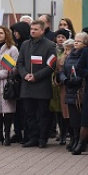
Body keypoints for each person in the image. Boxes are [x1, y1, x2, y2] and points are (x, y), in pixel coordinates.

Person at [17, 20, 57, 148]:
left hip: (42, 86)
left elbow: (51, 66)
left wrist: (36, 76)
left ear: (42, 31)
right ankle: (33, 137)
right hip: (27, 85)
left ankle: (42, 138)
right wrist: (25, 74)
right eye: (31, 29)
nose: (32, 31)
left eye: (35, 29)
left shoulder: (50, 45)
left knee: (43, 114)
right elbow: (20, 63)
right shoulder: (24, 44)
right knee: (29, 114)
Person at [61, 32, 88, 152]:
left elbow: (86, 71)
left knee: (80, 118)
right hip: (69, 89)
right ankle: (73, 138)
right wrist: (65, 79)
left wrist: (77, 80)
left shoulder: (87, 55)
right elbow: (62, 70)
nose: (76, 42)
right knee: (73, 118)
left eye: (79, 41)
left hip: (80, 91)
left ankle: (81, 141)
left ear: (85, 43)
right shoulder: (69, 55)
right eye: (75, 40)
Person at [55, 38, 74, 146]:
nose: (66, 52)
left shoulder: (77, 58)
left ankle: (72, 136)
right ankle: (63, 134)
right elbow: (57, 73)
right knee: (64, 113)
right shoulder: (61, 59)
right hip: (63, 88)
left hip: (75, 88)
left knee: (73, 113)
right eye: (65, 50)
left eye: (69, 50)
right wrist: (59, 77)